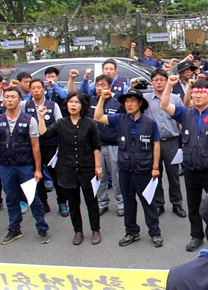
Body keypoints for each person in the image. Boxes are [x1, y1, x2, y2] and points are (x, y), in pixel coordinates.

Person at [161, 77, 208, 252]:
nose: (198, 97)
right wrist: (169, 85)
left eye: (202, 93)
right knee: (193, 205)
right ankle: (196, 236)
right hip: (191, 168)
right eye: (195, 93)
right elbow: (164, 105)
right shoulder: (185, 113)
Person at [94, 88, 163, 248]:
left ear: (140, 103)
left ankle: (155, 233)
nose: (129, 104)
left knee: (149, 202)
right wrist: (102, 99)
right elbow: (98, 117)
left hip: (144, 169)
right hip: (125, 168)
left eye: (132, 101)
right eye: (126, 101)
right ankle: (132, 232)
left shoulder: (149, 122)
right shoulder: (120, 119)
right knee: (128, 203)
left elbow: (156, 144)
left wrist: (155, 167)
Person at [38, 92, 103, 245]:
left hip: (87, 168)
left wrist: (97, 166)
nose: (73, 105)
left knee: (91, 202)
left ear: (82, 106)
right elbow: (44, 134)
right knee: (73, 204)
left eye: (76, 102)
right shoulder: (61, 123)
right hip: (66, 169)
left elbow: (96, 146)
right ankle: (78, 231)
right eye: (70, 102)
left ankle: (95, 230)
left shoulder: (90, 123)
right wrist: (41, 117)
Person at [132, 69, 186, 218]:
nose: (159, 82)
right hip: (152, 143)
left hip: (172, 141)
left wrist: (184, 142)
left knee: (174, 175)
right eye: (156, 80)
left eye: (162, 79)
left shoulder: (175, 98)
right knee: (155, 174)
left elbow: (181, 120)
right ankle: (158, 203)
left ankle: (177, 204)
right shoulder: (146, 99)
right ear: (152, 82)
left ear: (167, 81)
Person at [69, 70, 125, 216]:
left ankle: (120, 203)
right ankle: (102, 202)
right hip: (95, 146)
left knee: (117, 176)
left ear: (110, 87)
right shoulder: (90, 100)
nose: (100, 88)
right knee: (99, 176)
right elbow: (71, 94)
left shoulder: (117, 102)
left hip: (113, 145)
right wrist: (73, 78)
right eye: (98, 85)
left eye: (103, 85)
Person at [0, 87, 50, 245]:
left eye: (13, 97)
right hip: (6, 166)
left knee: (33, 198)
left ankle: (42, 227)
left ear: (19, 100)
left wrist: (37, 169)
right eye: (6, 97)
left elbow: (35, 146)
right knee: (11, 198)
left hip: (25, 166)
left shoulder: (29, 120)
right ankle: (14, 228)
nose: (9, 100)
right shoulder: (0, 119)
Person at [20, 79, 68, 216]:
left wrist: (60, 146)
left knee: (57, 176)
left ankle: (62, 202)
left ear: (43, 90)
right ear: (30, 90)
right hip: (33, 147)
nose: (36, 90)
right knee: (37, 175)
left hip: (51, 146)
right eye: (33, 88)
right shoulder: (25, 105)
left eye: (38, 88)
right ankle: (43, 202)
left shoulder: (52, 106)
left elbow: (60, 126)